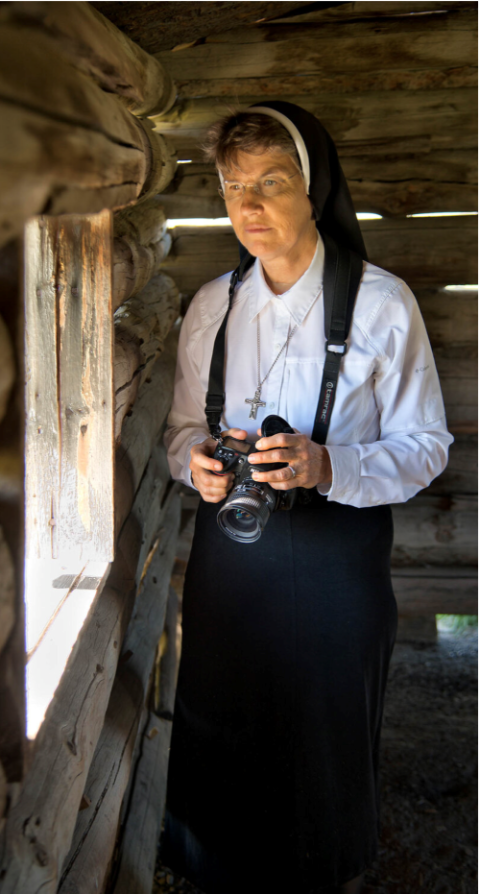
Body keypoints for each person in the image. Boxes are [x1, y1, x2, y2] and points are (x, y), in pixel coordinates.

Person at [161, 102, 453, 894]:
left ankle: (327, 875)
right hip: (233, 553)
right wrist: (195, 463)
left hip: (339, 559)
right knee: (225, 720)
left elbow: (427, 446)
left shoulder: (382, 306)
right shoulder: (211, 309)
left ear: (314, 189)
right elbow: (181, 427)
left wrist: (329, 467)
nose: (248, 207)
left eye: (270, 183)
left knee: (323, 737)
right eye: (231, 188)